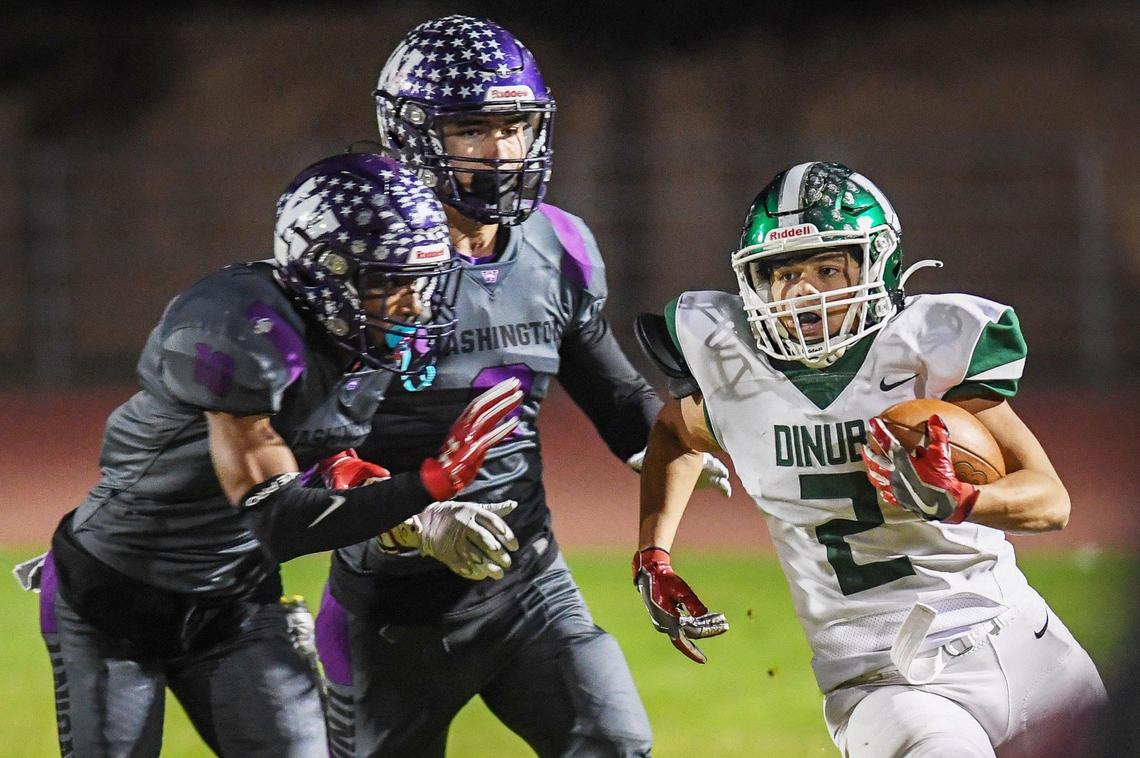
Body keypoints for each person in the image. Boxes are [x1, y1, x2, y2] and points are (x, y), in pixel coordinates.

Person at [313, 14, 730, 758]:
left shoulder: (557, 244)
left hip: (525, 586)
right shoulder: (358, 261)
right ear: (411, 134)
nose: (501, 150)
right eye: (473, 128)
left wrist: (689, 436)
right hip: (386, 611)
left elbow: (616, 395)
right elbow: (310, 448)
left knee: (615, 742)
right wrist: (412, 521)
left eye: (515, 125)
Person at [27, 151, 524, 757]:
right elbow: (281, 518)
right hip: (114, 595)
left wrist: (418, 522)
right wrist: (429, 483)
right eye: (389, 281)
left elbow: (329, 456)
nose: (413, 304)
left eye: (417, 280)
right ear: (327, 270)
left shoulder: (358, 342)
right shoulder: (240, 328)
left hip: (235, 595)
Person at [631, 161, 1107, 757]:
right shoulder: (732, 371)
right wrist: (654, 555)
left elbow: (1050, 501)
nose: (803, 294)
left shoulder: (923, 352)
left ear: (876, 265)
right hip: (885, 680)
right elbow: (675, 436)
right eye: (784, 275)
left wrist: (962, 501)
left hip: (1024, 642)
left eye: (828, 269)